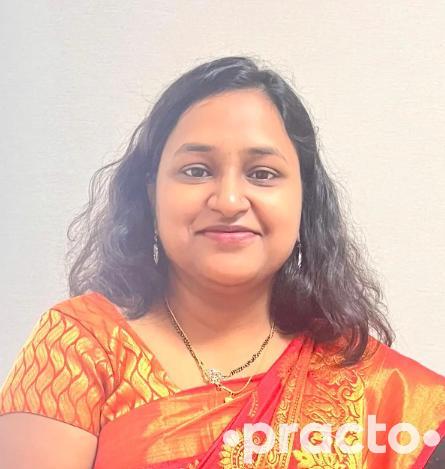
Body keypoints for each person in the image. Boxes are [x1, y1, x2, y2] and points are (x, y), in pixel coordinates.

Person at [0, 56, 444, 468]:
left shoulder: (381, 392)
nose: (229, 201)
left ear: (304, 200)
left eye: (262, 174)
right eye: (196, 170)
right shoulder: (83, 349)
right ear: (152, 193)